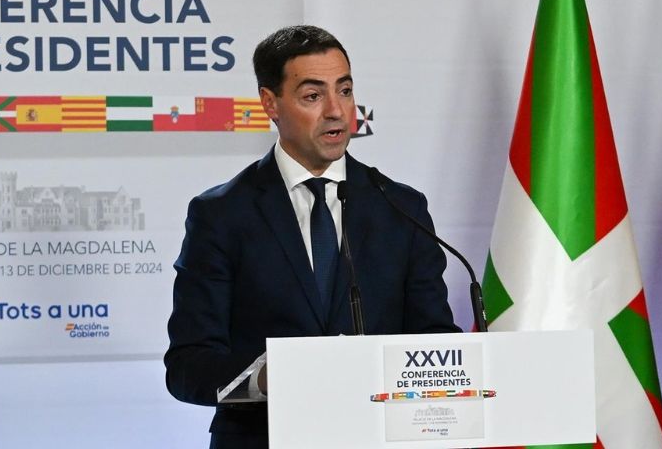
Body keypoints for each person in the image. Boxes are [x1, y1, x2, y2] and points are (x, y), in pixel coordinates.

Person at [164, 25, 459, 448]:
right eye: (313, 96)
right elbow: (188, 368)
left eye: (345, 90)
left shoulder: (401, 209)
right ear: (271, 103)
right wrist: (272, 376)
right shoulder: (222, 215)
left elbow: (435, 342)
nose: (337, 111)